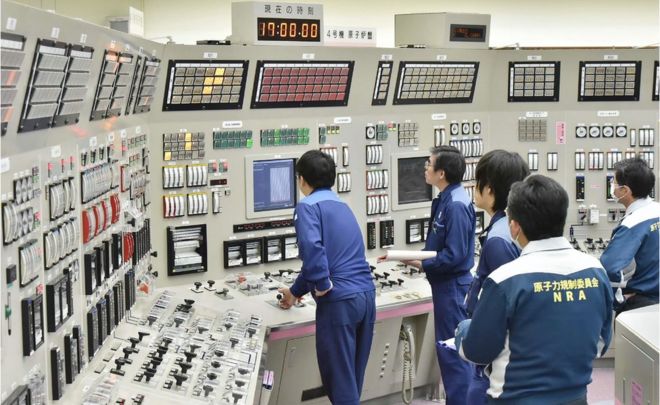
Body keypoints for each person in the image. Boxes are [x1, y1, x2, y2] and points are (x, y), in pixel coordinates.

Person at [455, 175, 613, 405]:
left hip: (514, 398)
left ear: (514, 226)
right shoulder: (596, 271)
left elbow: (477, 351)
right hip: (576, 398)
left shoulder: (504, 280)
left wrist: (464, 331)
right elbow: (601, 340)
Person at [278, 150, 376, 405]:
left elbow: (313, 253)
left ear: (301, 180)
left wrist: (322, 285)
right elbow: (326, 258)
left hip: (339, 300)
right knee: (353, 378)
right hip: (365, 296)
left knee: (339, 382)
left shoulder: (306, 207)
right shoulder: (342, 206)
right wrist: (296, 292)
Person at [381, 145, 475, 405]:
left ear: (441, 173)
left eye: (428, 164)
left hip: (452, 287)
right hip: (445, 285)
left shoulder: (455, 205)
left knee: (453, 353)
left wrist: (421, 264)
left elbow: (454, 255)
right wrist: (416, 259)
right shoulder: (447, 198)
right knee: (449, 352)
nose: (425, 168)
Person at [464, 150, 529, 405]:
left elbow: (505, 303)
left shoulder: (498, 240)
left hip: (497, 357)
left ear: (489, 189)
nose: (474, 187)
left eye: (478, 181)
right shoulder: (513, 227)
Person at [600, 157, 659, 315]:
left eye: (613, 182)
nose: (612, 186)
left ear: (625, 191)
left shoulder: (632, 224)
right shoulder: (656, 210)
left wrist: (620, 297)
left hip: (642, 302)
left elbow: (610, 267)